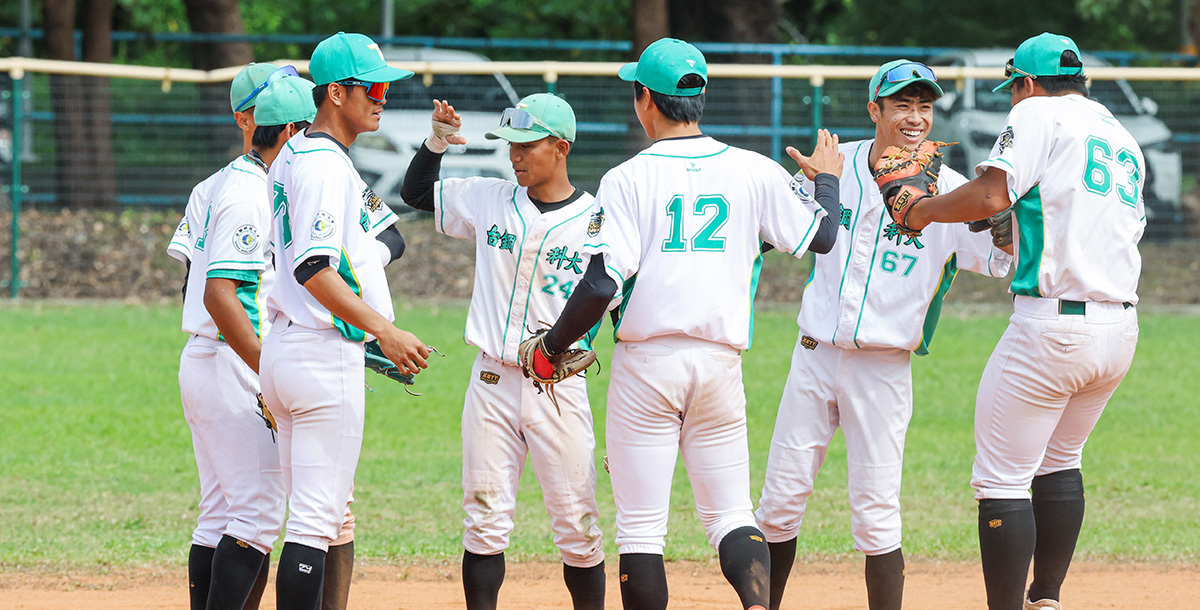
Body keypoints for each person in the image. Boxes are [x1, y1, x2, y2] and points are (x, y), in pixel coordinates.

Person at [524, 37, 843, 610]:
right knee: (731, 514)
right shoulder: (752, 169)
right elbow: (820, 235)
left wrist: (552, 344)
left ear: (646, 98)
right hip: (720, 363)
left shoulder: (627, 178)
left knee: (643, 529)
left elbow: (601, 284)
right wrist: (826, 180)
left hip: (647, 366)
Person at [885, 33, 1144, 610]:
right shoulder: (1120, 135)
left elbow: (991, 193)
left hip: (1052, 327)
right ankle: (1046, 600)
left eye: (1013, 90)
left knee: (1001, 480)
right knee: (1060, 460)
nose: (1012, 101)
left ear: (1027, 84)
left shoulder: (1036, 113)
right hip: (1119, 328)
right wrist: (1008, 223)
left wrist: (920, 212)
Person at [753, 60, 1013, 610]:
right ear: (875, 110)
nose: (915, 117)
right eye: (901, 104)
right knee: (778, 502)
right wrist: (808, 181)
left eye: (925, 105)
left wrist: (1007, 215)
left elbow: (1000, 258)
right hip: (814, 355)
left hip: (884, 368)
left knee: (876, 512)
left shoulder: (948, 190)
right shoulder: (834, 166)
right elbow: (775, 226)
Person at [399, 93, 606, 610]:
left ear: (560, 148)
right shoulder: (490, 197)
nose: (514, 157)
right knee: (484, 519)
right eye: (509, 145)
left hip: (559, 388)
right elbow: (416, 193)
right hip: (491, 382)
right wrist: (436, 143)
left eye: (527, 146)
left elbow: (613, 292)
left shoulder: (597, 220)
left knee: (578, 526)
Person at [259, 31, 430, 610]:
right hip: (319, 350)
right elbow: (314, 267)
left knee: (313, 518)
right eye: (374, 86)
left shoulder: (292, 155)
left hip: (284, 350)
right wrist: (385, 327)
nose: (383, 97)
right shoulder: (328, 165)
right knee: (314, 523)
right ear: (336, 92)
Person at [167, 68, 316, 610]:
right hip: (235, 358)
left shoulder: (216, 183)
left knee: (220, 511)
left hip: (207, 358)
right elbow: (220, 293)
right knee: (256, 513)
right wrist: (266, 370)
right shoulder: (250, 194)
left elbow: (192, 280)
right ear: (292, 130)